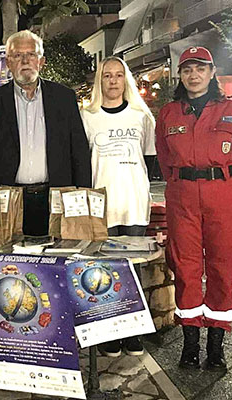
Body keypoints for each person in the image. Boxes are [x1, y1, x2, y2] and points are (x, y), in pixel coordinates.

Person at [155, 46, 232, 371]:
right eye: (187, 70)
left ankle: (216, 345)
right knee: (185, 267)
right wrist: (177, 182)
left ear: (211, 73)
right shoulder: (169, 113)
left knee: (223, 265)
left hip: (221, 195)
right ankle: (190, 345)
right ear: (180, 76)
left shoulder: (231, 110)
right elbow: (163, 154)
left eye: (200, 69)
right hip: (182, 196)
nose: (193, 75)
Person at [0, 30, 91, 236]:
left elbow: (79, 151)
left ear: (41, 61)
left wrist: (83, 194)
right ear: (8, 62)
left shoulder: (64, 98)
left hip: (56, 199)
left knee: (56, 254)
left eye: (31, 54)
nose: (25, 61)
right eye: (17, 55)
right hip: (7, 201)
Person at [80, 56, 156, 357]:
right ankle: (110, 333)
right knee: (104, 271)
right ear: (99, 80)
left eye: (118, 75)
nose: (113, 81)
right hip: (103, 206)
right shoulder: (88, 116)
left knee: (133, 270)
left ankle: (133, 333)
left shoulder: (141, 116)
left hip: (134, 202)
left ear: (127, 80)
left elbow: (149, 160)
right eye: (107, 75)